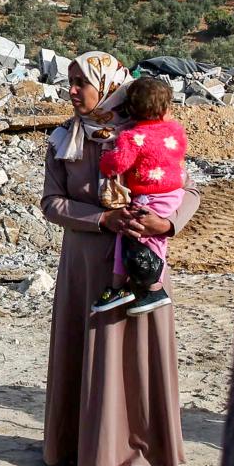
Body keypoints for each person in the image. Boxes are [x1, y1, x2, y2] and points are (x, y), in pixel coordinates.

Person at [41, 52, 200, 466]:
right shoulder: (63, 139)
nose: (71, 90)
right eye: (70, 82)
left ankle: (139, 452)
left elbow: (186, 193)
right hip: (84, 267)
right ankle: (77, 444)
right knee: (86, 351)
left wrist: (166, 224)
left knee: (135, 358)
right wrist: (101, 219)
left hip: (138, 266)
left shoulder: (147, 131)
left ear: (109, 85)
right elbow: (52, 204)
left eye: (80, 82)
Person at [92, 77, 186, 316]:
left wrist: (105, 162)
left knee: (140, 234)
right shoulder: (174, 130)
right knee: (148, 237)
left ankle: (148, 288)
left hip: (149, 195)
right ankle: (128, 286)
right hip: (173, 192)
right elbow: (180, 150)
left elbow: (118, 163)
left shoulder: (132, 137)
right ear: (166, 109)